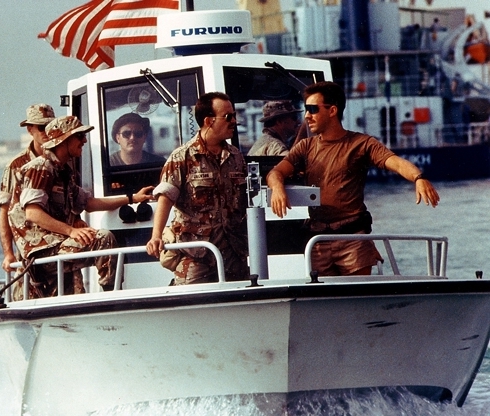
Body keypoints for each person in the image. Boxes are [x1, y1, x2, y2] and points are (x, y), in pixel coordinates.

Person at [266, 81, 440, 276]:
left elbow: (396, 162)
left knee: (357, 298)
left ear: (332, 111)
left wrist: (419, 178)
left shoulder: (361, 144)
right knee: (320, 300)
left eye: (313, 109)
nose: (307, 116)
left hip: (353, 240)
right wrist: (278, 188)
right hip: (318, 241)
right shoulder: (305, 147)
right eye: (306, 109)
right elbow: (275, 172)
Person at [9, 115, 154, 297]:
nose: (84, 141)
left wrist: (132, 198)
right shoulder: (41, 168)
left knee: (74, 297)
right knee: (103, 239)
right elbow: (32, 213)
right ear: (63, 140)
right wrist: (71, 231)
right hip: (41, 250)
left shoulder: (64, 172)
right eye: (79, 137)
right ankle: (112, 296)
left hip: (56, 246)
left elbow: (89, 203)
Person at [145, 92, 249, 285]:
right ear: (209, 121)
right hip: (196, 252)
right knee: (192, 306)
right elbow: (165, 198)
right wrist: (156, 236)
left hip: (233, 251)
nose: (234, 121)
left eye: (234, 115)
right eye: (228, 117)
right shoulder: (182, 157)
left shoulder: (236, 157)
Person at [0, 104, 55, 272]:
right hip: (29, 248)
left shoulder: (65, 160)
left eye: (51, 126)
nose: (48, 131)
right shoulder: (16, 166)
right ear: (30, 130)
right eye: (42, 127)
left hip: (59, 243)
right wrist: (8, 253)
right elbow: (5, 211)